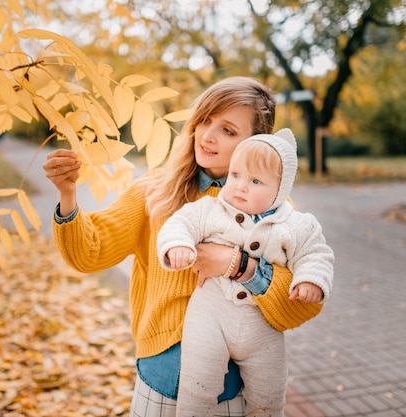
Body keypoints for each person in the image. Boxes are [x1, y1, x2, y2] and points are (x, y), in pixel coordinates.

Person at [43, 76, 322, 417]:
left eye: (228, 130)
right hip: (157, 383)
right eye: (205, 119)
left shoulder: (274, 211)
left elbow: (301, 305)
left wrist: (239, 265)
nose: (207, 135)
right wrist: (68, 195)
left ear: (256, 143)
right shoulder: (155, 191)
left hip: (231, 394)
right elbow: (90, 252)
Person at [156, 128, 334, 416]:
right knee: (197, 385)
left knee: (270, 394)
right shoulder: (211, 209)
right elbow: (179, 224)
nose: (240, 186)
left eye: (255, 181)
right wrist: (177, 245)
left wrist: (311, 279)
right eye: (235, 175)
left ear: (281, 189)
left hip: (261, 325)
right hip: (209, 315)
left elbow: (316, 254)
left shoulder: (297, 225)